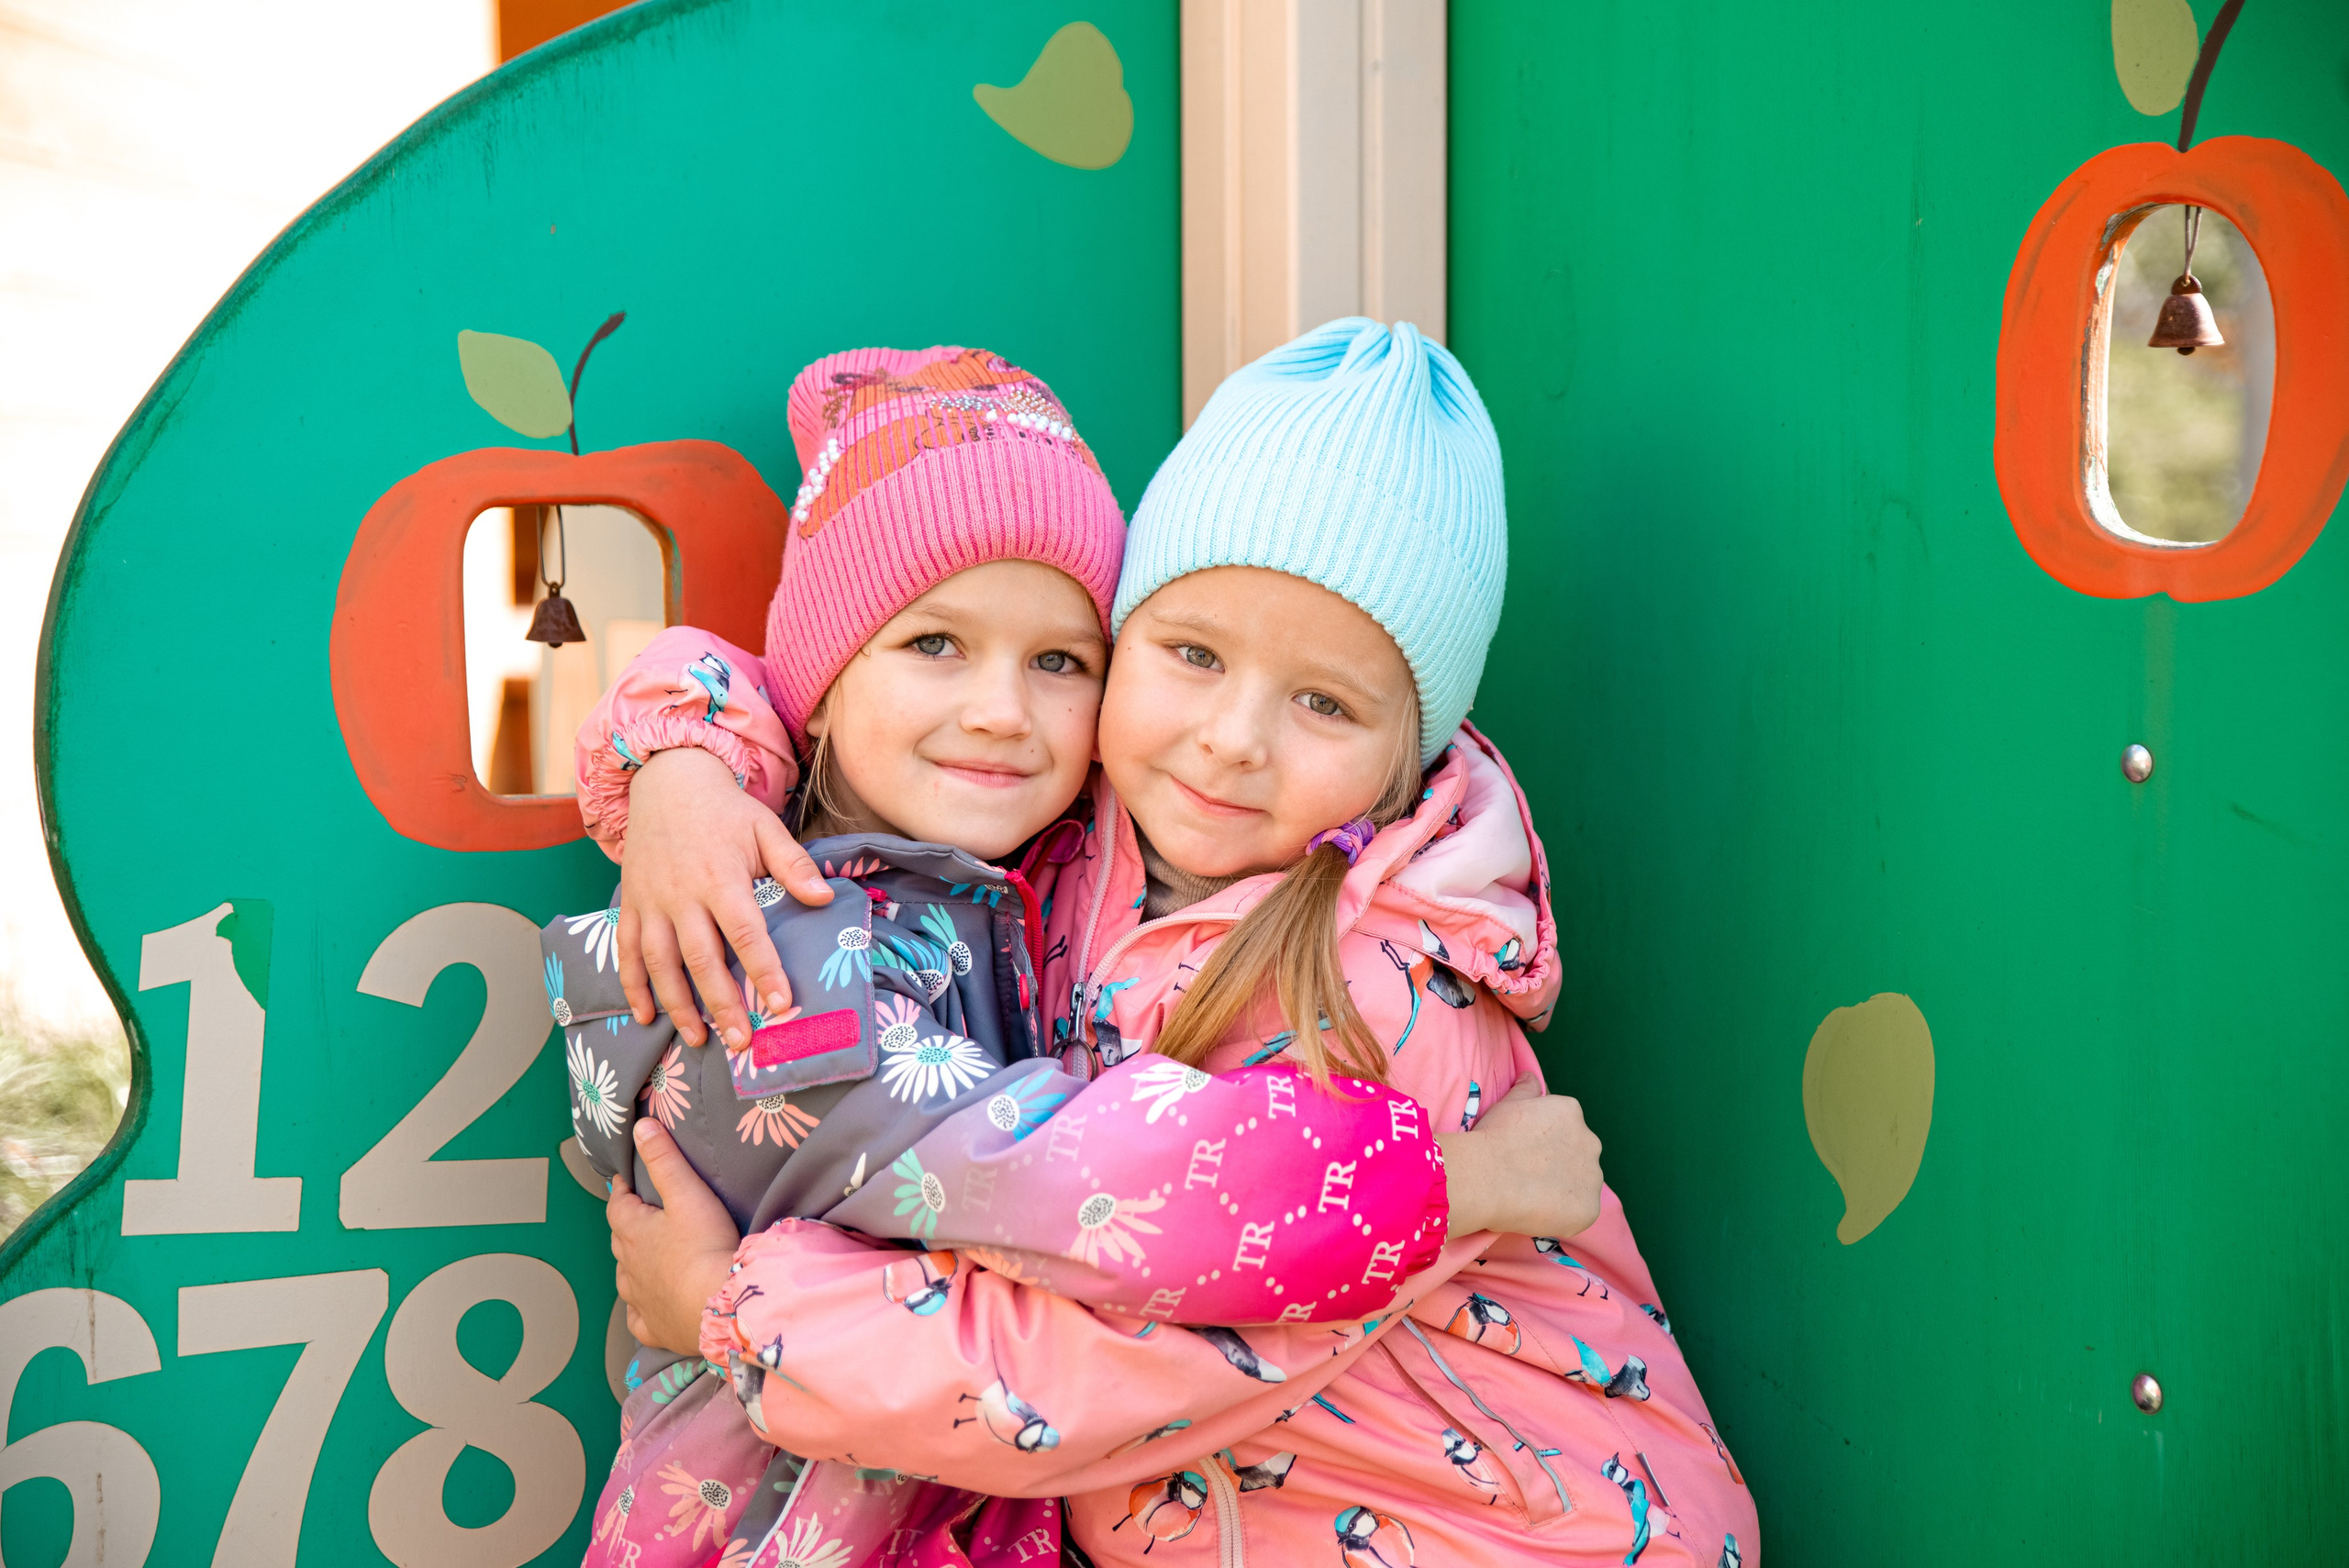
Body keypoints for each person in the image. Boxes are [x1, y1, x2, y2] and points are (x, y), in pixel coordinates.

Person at [552, 340, 1609, 1567]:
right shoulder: (771, 957)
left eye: (1058, 661)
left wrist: (725, 1309)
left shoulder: (1340, 962)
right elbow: (1081, 1177)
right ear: (819, 688)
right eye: (935, 644)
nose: (1003, 710)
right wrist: (1456, 1182)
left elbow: (1119, 1346)